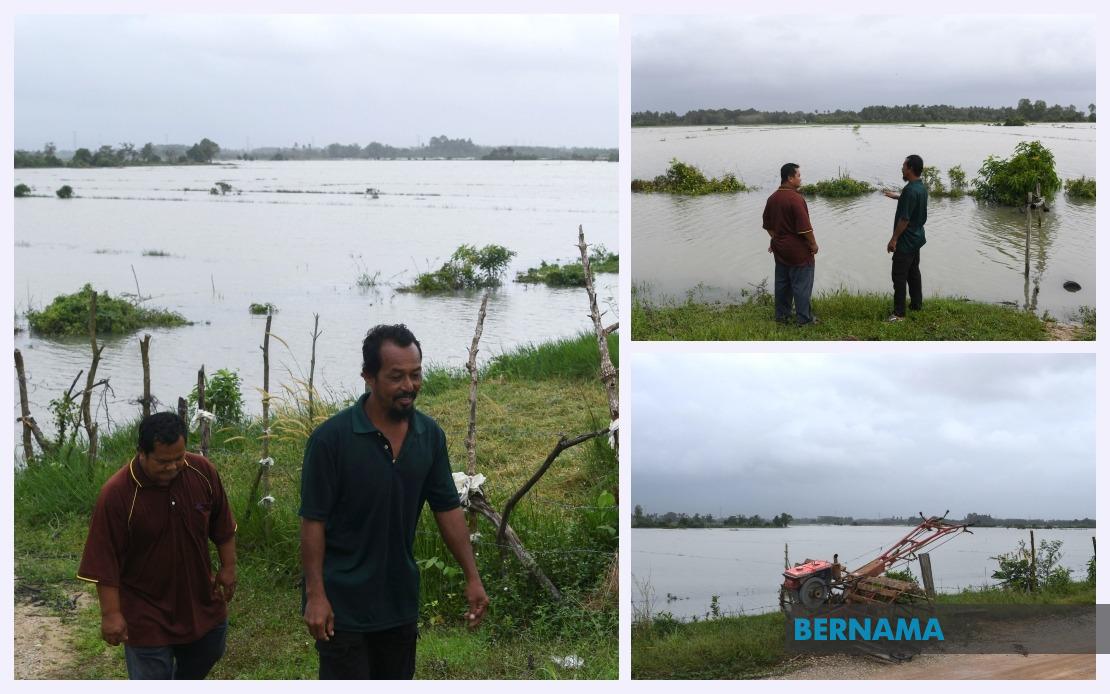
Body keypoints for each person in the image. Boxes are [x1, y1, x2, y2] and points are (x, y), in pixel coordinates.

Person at [300, 324, 489, 680]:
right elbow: (313, 522)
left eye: (416, 375)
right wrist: (315, 595)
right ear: (368, 377)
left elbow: (447, 508)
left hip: (399, 600)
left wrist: (472, 577)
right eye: (396, 377)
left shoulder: (429, 436)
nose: (409, 386)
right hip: (342, 603)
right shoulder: (331, 440)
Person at [77, 412, 237, 680]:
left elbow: (222, 525)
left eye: (179, 458)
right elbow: (104, 560)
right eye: (163, 461)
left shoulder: (202, 472)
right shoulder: (117, 494)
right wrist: (112, 614)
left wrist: (229, 567)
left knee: (212, 646)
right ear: (142, 452)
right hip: (145, 610)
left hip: (198, 599)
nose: (173, 466)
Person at [763, 162, 819, 325]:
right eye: (798, 176)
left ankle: (782, 316)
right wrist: (813, 244)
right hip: (798, 251)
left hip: (779, 249)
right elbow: (805, 228)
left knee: (782, 284)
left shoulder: (772, 198)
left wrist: (776, 239)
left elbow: (768, 226)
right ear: (790, 178)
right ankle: (804, 319)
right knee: (802, 285)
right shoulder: (795, 199)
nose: (800, 179)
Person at [883, 154, 928, 321]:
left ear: (910, 168)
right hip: (917, 238)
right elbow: (912, 202)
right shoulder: (920, 187)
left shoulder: (909, 190)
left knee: (899, 276)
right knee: (914, 272)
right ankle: (916, 304)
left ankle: (899, 314)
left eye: (904, 165)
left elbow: (904, 219)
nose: (902, 168)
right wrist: (896, 196)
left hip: (906, 240)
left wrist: (893, 239)